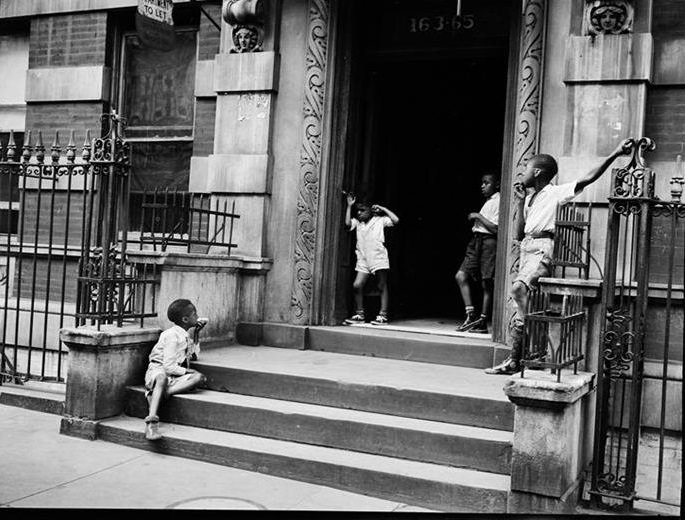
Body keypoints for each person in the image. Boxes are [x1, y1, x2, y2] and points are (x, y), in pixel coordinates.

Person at [486, 139, 632, 375]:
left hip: (543, 247)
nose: (521, 174)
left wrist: (615, 153)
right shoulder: (530, 198)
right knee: (522, 302)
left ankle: (535, 342)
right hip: (527, 247)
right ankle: (516, 359)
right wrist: (520, 200)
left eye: (525, 169)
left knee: (518, 291)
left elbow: (588, 178)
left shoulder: (555, 192)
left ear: (537, 171)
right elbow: (518, 232)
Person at [143, 299, 208, 440]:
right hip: (158, 370)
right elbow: (168, 366)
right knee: (162, 378)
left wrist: (196, 334)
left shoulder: (185, 335)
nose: (197, 317)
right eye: (194, 314)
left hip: (172, 375)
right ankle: (151, 423)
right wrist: (187, 371)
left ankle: (161, 394)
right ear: (185, 319)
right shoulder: (171, 335)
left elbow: (194, 356)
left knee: (199, 378)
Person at [343, 193, 399, 326]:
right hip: (363, 258)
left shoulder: (379, 220)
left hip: (378, 257)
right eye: (358, 211)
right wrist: (349, 206)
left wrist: (383, 208)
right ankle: (359, 314)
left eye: (363, 210)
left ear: (371, 211)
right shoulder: (358, 223)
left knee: (381, 285)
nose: (359, 213)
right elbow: (347, 224)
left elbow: (396, 220)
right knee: (357, 285)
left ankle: (383, 315)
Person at [455, 173, 500, 334]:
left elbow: (496, 229)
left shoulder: (499, 201)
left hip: (488, 242)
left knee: (487, 282)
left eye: (486, 183)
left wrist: (478, 216)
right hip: (476, 241)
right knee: (461, 275)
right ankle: (471, 314)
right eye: (482, 183)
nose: (482, 186)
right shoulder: (488, 202)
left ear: (497, 184)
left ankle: (482, 321)